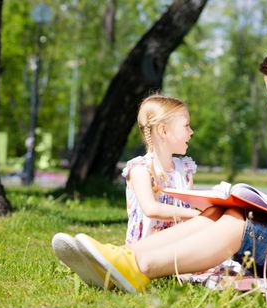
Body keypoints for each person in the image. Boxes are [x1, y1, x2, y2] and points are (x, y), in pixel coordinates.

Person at [58, 40, 267, 294]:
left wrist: (264, 215)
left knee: (236, 223)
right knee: (219, 212)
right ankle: (121, 257)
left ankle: (139, 268)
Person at [52, 94, 201, 288]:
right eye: (186, 126)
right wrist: (193, 214)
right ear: (164, 131)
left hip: (179, 246)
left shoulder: (185, 169)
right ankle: (106, 263)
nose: (191, 132)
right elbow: (151, 208)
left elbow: (191, 203)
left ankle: (101, 267)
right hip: (146, 248)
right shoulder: (140, 169)